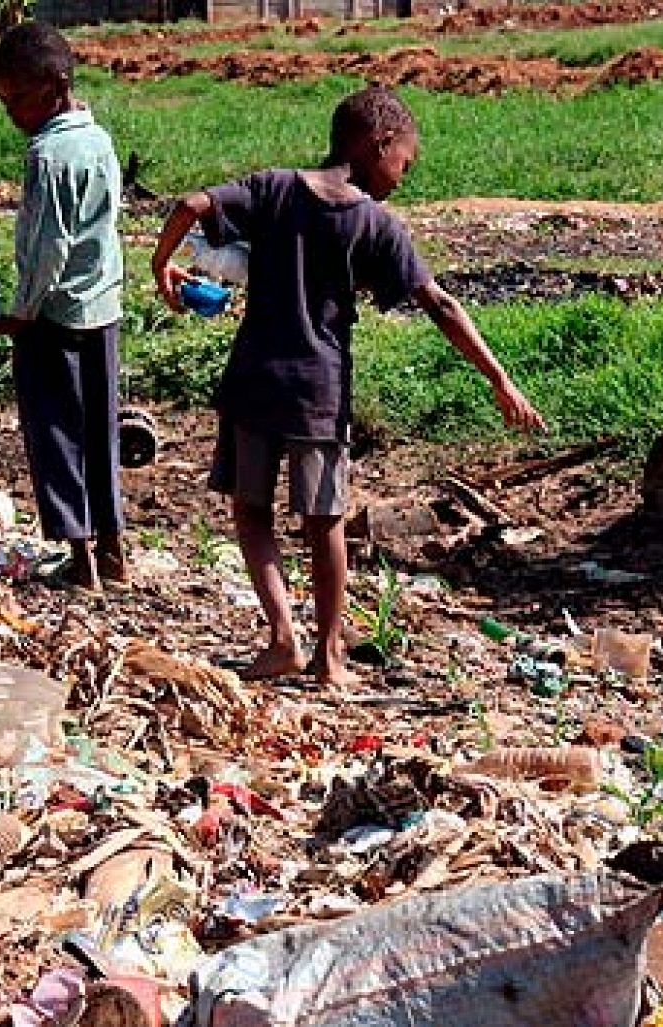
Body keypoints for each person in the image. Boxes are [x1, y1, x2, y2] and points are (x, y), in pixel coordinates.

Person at [151, 85, 545, 686]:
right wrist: (500, 379)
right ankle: (330, 656)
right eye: (403, 162)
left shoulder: (273, 187)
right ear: (378, 143)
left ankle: (283, 638)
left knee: (251, 512)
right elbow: (438, 303)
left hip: (255, 379)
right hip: (319, 391)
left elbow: (190, 203)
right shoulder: (376, 223)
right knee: (325, 520)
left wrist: (162, 265)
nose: (403, 177)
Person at [0, 22, 127, 593]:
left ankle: (80, 560)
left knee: (57, 433)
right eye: (5, 101)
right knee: (100, 431)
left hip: (53, 319)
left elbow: (48, 248)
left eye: (19, 98)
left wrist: (21, 312)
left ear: (55, 84)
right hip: (102, 309)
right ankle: (113, 550)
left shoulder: (47, 155)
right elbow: (104, 229)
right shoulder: (98, 140)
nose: (12, 112)